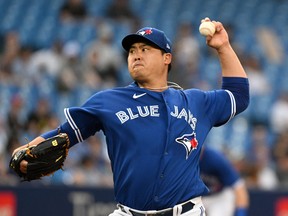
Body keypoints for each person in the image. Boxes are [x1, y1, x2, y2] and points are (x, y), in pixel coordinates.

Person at [11, 17, 249, 216]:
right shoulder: (108, 101)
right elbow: (63, 135)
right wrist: (29, 148)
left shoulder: (196, 102)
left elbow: (238, 96)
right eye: (132, 51)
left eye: (145, 49)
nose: (136, 55)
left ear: (167, 58)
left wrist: (223, 47)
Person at [200, 146, 249, 216]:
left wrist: (241, 212)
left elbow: (239, 188)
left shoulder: (216, 159)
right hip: (199, 198)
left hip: (219, 197)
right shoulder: (183, 160)